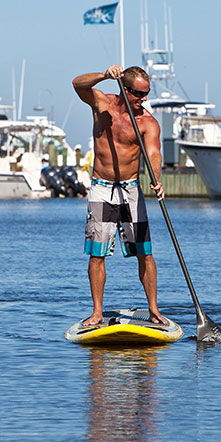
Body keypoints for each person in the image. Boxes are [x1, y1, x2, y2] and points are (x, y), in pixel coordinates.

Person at [72, 65, 166, 326]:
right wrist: (103, 74)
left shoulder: (147, 122)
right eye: (138, 93)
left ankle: (154, 309)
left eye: (146, 93)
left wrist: (156, 179)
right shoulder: (102, 103)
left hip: (131, 189)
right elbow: (78, 83)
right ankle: (97, 312)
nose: (143, 99)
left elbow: (154, 153)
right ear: (124, 89)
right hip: (101, 188)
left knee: (144, 252)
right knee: (97, 253)